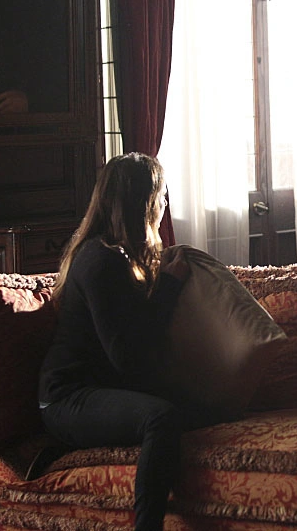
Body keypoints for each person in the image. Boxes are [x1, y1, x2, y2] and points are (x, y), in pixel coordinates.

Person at [38, 153, 205, 531]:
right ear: (143, 204)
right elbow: (128, 360)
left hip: (101, 387)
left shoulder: (121, 256)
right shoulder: (100, 261)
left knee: (209, 407)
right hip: (67, 397)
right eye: (161, 196)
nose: (164, 205)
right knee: (161, 418)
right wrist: (170, 287)